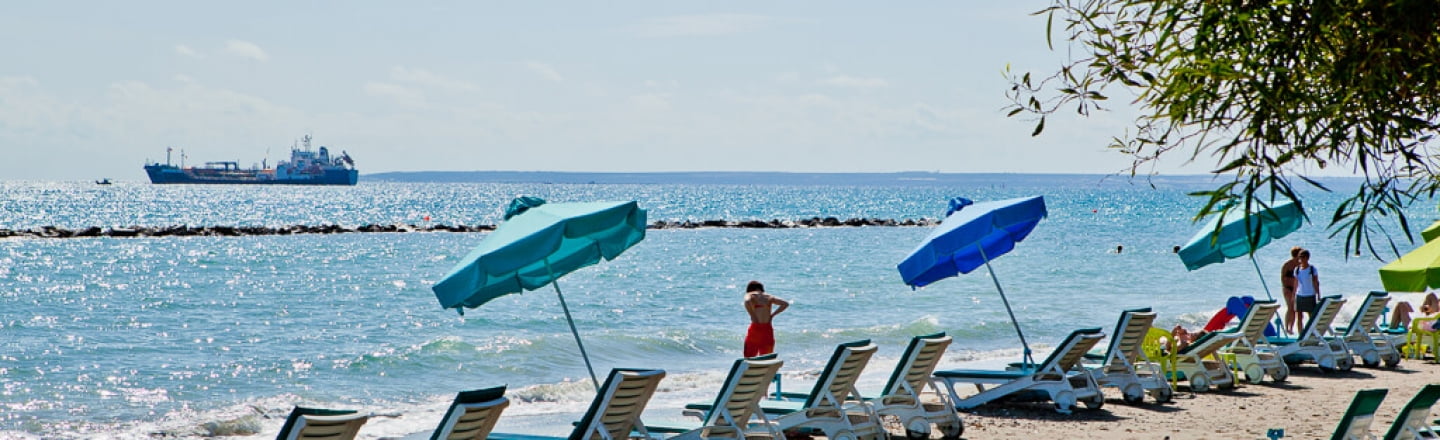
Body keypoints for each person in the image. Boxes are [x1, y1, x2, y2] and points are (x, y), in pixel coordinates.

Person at [743, 281, 789, 357]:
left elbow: (747, 301)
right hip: (767, 329)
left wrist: (752, 315)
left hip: (756, 328)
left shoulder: (750, 294)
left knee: (749, 356)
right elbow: (785, 304)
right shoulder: (769, 297)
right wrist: (772, 315)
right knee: (766, 357)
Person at [1293, 249, 1321, 327]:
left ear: (1307, 258)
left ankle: (1311, 333)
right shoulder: (1297, 269)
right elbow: (1295, 283)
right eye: (1299, 257)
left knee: (1311, 316)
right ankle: (1300, 335)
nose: (1300, 259)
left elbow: (1316, 282)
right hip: (1300, 295)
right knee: (1299, 316)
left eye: (1302, 257)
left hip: (1310, 295)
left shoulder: (1312, 269)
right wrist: (1293, 295)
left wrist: (1318, 294)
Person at [1280, 246, 1304, 334]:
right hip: (1287, 289)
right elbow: (1283, 278)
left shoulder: (1301, 265)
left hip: (1297, 290)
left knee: (1297, 309)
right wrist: (1288, 288)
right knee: (1291, 307)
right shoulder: (1287, 265)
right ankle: (1287, 328)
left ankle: (1295, 328)